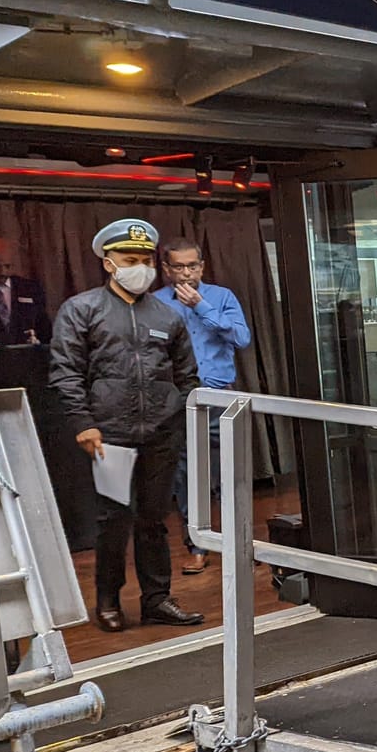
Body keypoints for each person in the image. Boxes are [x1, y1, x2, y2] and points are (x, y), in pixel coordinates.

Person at [49, 219, 203, 632]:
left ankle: (157, 599)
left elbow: (187, 376)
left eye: (145, 260)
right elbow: (65, 373)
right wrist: (84, 422)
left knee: (154, 519)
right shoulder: (82, 310)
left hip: (161, 433)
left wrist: (181, 418)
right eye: (129, 259)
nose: (140, 267)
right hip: (109, 435)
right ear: (108, 262)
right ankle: (109, 601)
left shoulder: (167, 314)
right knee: (114, 520)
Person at [158, 238, 252, 575]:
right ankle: (197, 546)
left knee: (232, 474)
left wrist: (201, 307)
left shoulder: (222, 297)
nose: (186, 273)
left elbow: (241, 339)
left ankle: (239, 545)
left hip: (221, 397)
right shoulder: (154, 303)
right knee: (186, 477)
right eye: (178, 267)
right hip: (178, 401)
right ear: (166, 269)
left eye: (192, 265)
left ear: (202, 266)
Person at [0, 235, 53, 388]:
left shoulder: (29, 288)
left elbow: (45, 330)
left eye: (8, 266)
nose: (3, 272)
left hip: (28, 375)